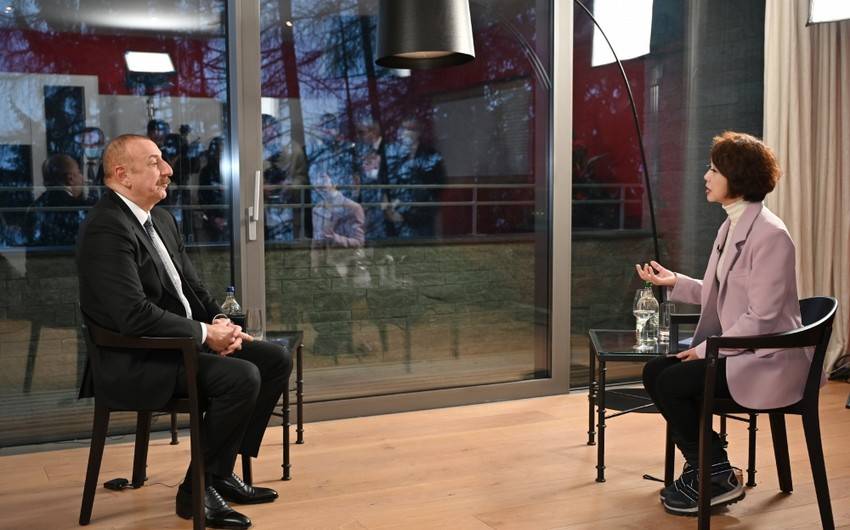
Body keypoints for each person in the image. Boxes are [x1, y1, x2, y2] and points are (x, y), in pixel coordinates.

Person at [76, 134, 291, 529]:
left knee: (274, 359)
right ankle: (195, 491)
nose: (168, 170)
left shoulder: (160, 219)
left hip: (178, 345)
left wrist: (222, 323)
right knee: (241, 377)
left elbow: (193, 288)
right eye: (155, 162)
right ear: (122, 175)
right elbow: (133, 316)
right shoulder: (106, 228)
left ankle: (217, 474)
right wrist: (206, 335)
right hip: (137, 358)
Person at [636, 131, 806, 516]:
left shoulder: (771, 235)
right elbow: (723, 292)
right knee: (655, 371)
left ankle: (713, 475)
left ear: (737, 176)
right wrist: (675, 282)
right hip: (740, 350)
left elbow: (763, 318)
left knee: (673, 381)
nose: (706, 176)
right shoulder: (731, 226)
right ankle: (711, 468)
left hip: (767, 359)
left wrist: (703, 351)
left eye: (714, 169)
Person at [25, 154, 94, 246]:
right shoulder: (79, 209)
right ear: (70, 179)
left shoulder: (33, 208)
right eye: (79, 173)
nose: (83, 179)